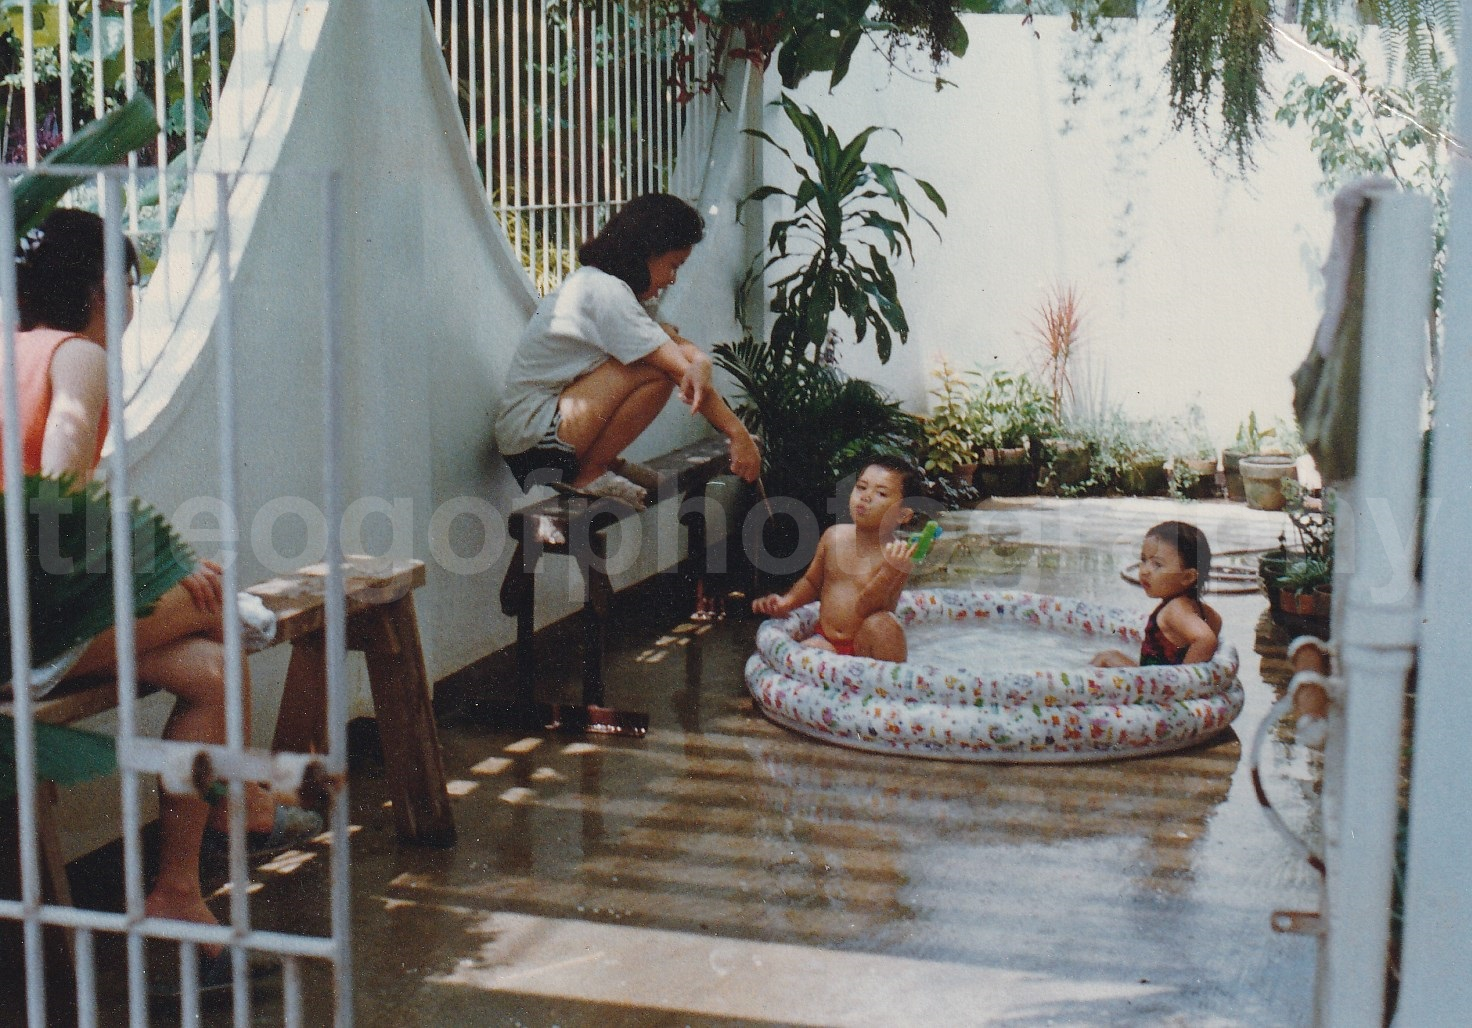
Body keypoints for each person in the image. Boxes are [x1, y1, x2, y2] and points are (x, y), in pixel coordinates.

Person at [5, 209, 317, 990]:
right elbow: (58, 519)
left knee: (210, 668)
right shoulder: (81, 358)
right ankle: (245, 811)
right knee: (225, 608)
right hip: (22, 629)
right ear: (105, 287)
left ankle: (187, 881)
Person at [494, 193, 761, 513]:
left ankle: (600, 464)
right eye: (673, 265)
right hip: (532, 440)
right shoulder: (603, 292)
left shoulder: (618, 288)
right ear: (647, 252)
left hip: (540, 434)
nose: (673, 279)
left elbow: (670, 338)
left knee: (657, 362)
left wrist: (701, 360)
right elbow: (676, 368)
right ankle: (589, 472)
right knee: (657, 370)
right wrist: (738, 434)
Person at [751, 455, 922, 662]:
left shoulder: (897, 556)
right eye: (861, 487)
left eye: (881, 493)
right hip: (827, 641)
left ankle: (892, 687)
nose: (866, 497)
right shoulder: (834, 536)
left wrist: (890, 571)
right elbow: (812, 582)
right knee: (795, 660)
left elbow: (867, 607)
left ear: (903, 515)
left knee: (884, 625)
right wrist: (786, 603)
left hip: (867, 646)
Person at [1092, 520, 1222, 667]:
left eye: (1157, 564)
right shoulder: (1201, 609)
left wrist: (1185, 681)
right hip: (1157, 681)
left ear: (1187, 577)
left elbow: (1206, 639)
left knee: (1107, 657)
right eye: (1144, 560)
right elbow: (1216, 620)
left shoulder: (1175, 610)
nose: (1144, 570)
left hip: (1159, 687)